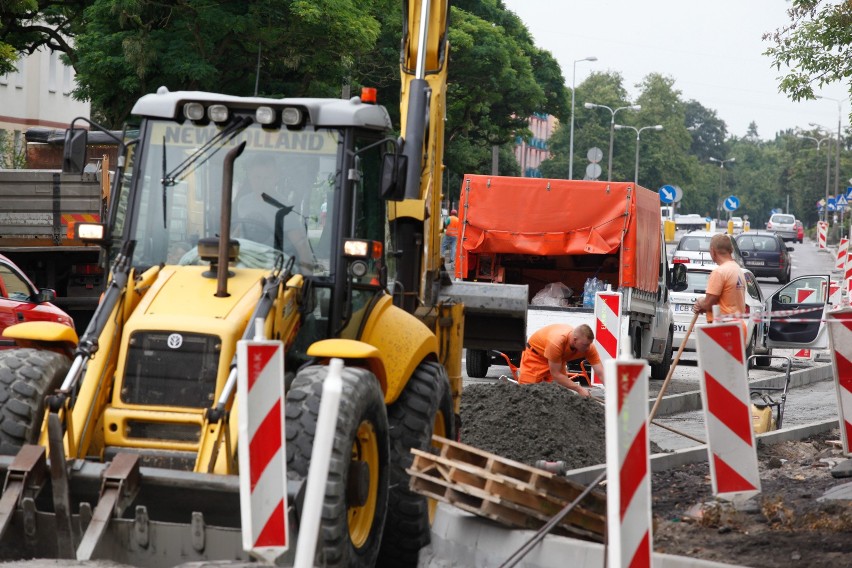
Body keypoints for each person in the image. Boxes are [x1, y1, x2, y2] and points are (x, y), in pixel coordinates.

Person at [518, 323, 601, 397]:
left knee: (557, 394)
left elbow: (600, 372)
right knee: (527, 392)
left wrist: (612, 393)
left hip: (557, 361)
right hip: (536, 358)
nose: (588, 348)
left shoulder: (588, 347)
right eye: (585, 345)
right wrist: (579, 389)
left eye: (589, 344)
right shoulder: (557, 342)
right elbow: (556, 374)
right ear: (575, 340)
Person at [693, 233, 746, 324]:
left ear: (713, 251)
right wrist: (705, 308)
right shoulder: (738, 270)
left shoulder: (719, 272)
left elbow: (708, 304)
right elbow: (726, 304)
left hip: (722, 328)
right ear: (731, 250)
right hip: (737, 326)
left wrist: (700, 301)